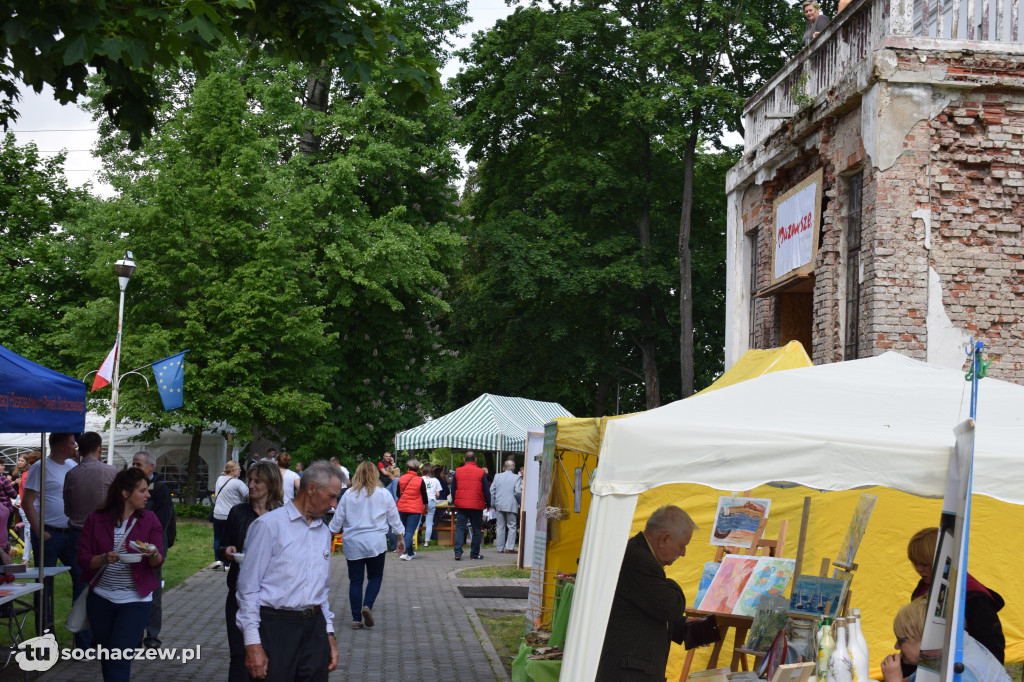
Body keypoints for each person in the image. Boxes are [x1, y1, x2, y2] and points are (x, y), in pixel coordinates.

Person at [236, 461, 342, 681]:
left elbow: (320, 589)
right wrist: (253, 643)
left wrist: (328, 634)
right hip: (276, 628)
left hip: (314, 630)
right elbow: (248, 589)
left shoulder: (323, 531)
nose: (334, 505)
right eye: (331, 496)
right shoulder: (269, 526)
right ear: (311, 489)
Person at [77, 467, 165, 682]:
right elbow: (83, 559)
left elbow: (158, 561)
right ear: (125, 493)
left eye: (148, 490)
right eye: (142, 491)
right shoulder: (96, 519)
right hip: (102, 599)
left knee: (119, 657)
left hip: (135, 600)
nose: (148, 495)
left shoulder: (150, 519)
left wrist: (151, 552)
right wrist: (104, 558)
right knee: (108, 656)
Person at [596, 505, 697, 681]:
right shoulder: (640, 560)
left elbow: (645, 610)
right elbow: (672, 607)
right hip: (627, 673)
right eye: (681, 546)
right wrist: (669, 583)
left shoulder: (638, 554)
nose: (683, 553)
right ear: (664, 539)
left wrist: (684, 625)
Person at [218, 461, 284, 682]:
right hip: (239, 592)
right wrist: (226, 551)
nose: (251, 485)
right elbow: (222, 545)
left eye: (258, 481)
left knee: (270, 654)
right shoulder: (238, 512)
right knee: (239, 653)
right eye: (250, 480)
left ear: (271, 484)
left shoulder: (283, 515)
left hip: (272, 596)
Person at [906, 528, 1005, 663]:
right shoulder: (923, 587)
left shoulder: (974, 597)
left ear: (943, 561)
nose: (918, 569)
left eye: (924, 564)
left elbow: (993, 652)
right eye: (915, 563)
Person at [328, 461, 404, 629]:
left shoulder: (348, 494)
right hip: (375, 542)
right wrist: (400, 538)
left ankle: (356, 618)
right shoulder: (383, 494)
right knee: (375, 577)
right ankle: (367, 605)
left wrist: (327, 537)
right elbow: (394, 518)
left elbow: (337, 521)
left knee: (355, 581)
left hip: (353, 542)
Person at [63, 431, 117, 649]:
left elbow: (67, 506)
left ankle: (83, 643)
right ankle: (101, 640)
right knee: (106, 585)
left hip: (77, 533)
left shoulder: (72, 474)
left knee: (81, 585)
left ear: (79, 450)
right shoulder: (110, 472)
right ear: (99, 449)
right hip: (104, 533)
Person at [22, 432, 78, 630]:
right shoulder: (40, 468)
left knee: (82, 578)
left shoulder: (72, 466)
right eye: (72, 443)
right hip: (48, 534)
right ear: (61, 445)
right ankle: (45, 634)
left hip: (70, 533)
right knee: (44, 585)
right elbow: (26, 502)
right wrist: (39, 532)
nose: (75, 447)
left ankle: (80, 634)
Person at [881, 598, 1009, 682]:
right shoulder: (947, 644)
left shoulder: (959, 671)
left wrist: (894, 680)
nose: (896, 646)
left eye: (900, 639)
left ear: (925, 637)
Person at [132, 450, 176, 649]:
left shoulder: (160, 489)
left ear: (151, 467)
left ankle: (152, 635)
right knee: (133, 589)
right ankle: (134, 633)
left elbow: (163, 520)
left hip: (153, 545)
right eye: (133, 464)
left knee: (153, 590)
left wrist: (155, 548)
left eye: (139, 465)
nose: (135, 468)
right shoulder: (129, 487)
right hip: (132, 545)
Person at [450, 451, 491, 561]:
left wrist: (455, 500)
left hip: (462, 504)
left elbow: (453, 488)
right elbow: (486, 490)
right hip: (476, 505)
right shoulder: (481, 472)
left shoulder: (458, 471)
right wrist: (488, 503)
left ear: (464, 460)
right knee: (477, 530)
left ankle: (457, 553)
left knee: (459, 528)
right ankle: (474, 554)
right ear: (476, 459)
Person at [212, 461, 249, 570]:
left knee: (218, 537)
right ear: (232, 471)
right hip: (231, 515)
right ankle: (227, 564)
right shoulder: (238, 483)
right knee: (231, 539)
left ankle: (217, 559)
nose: (240, 470)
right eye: (238, 469)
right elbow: (248, 495)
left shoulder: (219, 479)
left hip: (217, 514)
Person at [395, 459, 428, 561]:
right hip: (415, 508)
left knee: (405, 531)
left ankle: (410, 552)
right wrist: (425, 508)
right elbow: (424, 496)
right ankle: (405, 553)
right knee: (410, 531)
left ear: (407, 467)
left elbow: (397, 494)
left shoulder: (401, 478)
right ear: (417, 469)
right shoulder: (420, 480)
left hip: (402, 507)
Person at [490, 460, 522, 554]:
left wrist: (493, 504)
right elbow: (518, 492)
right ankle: (509, 547)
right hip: (511, 504)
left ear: (504, 467)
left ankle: (499, 548)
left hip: (499, 504)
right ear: (513, 467)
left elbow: (492, 490)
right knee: (512, 526)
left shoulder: (497, 476)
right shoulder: (517, 477)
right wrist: (520, 502)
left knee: (500, 526)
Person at [421, 465, 441, 546]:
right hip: (432, 501)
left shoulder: (421, 479)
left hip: (421, 502)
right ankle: (426, 542)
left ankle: (413, 540)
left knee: (416, 521)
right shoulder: (435, 480)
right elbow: (438, 494)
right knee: (429, 523)